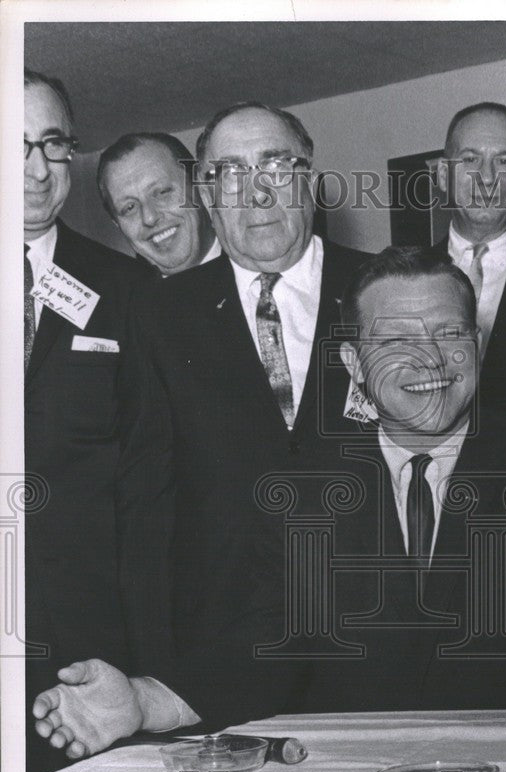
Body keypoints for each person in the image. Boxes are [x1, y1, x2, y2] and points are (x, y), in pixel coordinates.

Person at [35, 249, 506, 764]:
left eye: (447, 332)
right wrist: (145, 701)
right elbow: (263, 647)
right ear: (353, 364)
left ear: (477, 345)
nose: (427, 358)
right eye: (394, 338)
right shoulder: (300, 488)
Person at [111, 102, 370, 687]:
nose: (256, 193)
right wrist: (153, 669)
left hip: (377, 631)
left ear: (310, 178)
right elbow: (147, 503)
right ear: (205, 194)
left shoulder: (388, 287)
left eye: (275, 166)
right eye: (229, 173)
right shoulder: (157, 316)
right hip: (223, 651)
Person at [23, 68, 143, 772]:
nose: (38, 172)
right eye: (15, 146)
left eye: (54, 144)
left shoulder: (125, 288)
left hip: (79, 657)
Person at [433, 102, 506, 418]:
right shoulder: (404, 276)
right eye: (470, 159)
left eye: (503, 161)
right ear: (444, 175)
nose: (487, 178)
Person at [96, 132, 219, 275]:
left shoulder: (249, 264)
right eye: (129, 207)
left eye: (162, 192)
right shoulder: (120, 295)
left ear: (198, 185)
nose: (149, 218)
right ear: (117, 223)